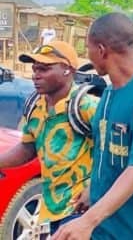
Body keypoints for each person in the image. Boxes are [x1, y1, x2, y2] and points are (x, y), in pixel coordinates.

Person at [53, 13, 133, 240]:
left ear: (101, 50)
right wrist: (94, 190)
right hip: (106, 229)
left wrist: (87, 221)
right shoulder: (108, 94)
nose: (86, 55)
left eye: (87, 48)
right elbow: (107, 154)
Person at [0, 42, 97, 235]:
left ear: (67, 70)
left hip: (82, 207)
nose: (36, 74)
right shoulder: (36, 105)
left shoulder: (87, 106)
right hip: (52, 207)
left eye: (44, 69)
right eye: (35, 69)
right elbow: (28, 148)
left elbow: (115, 152)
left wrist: (94, 189)